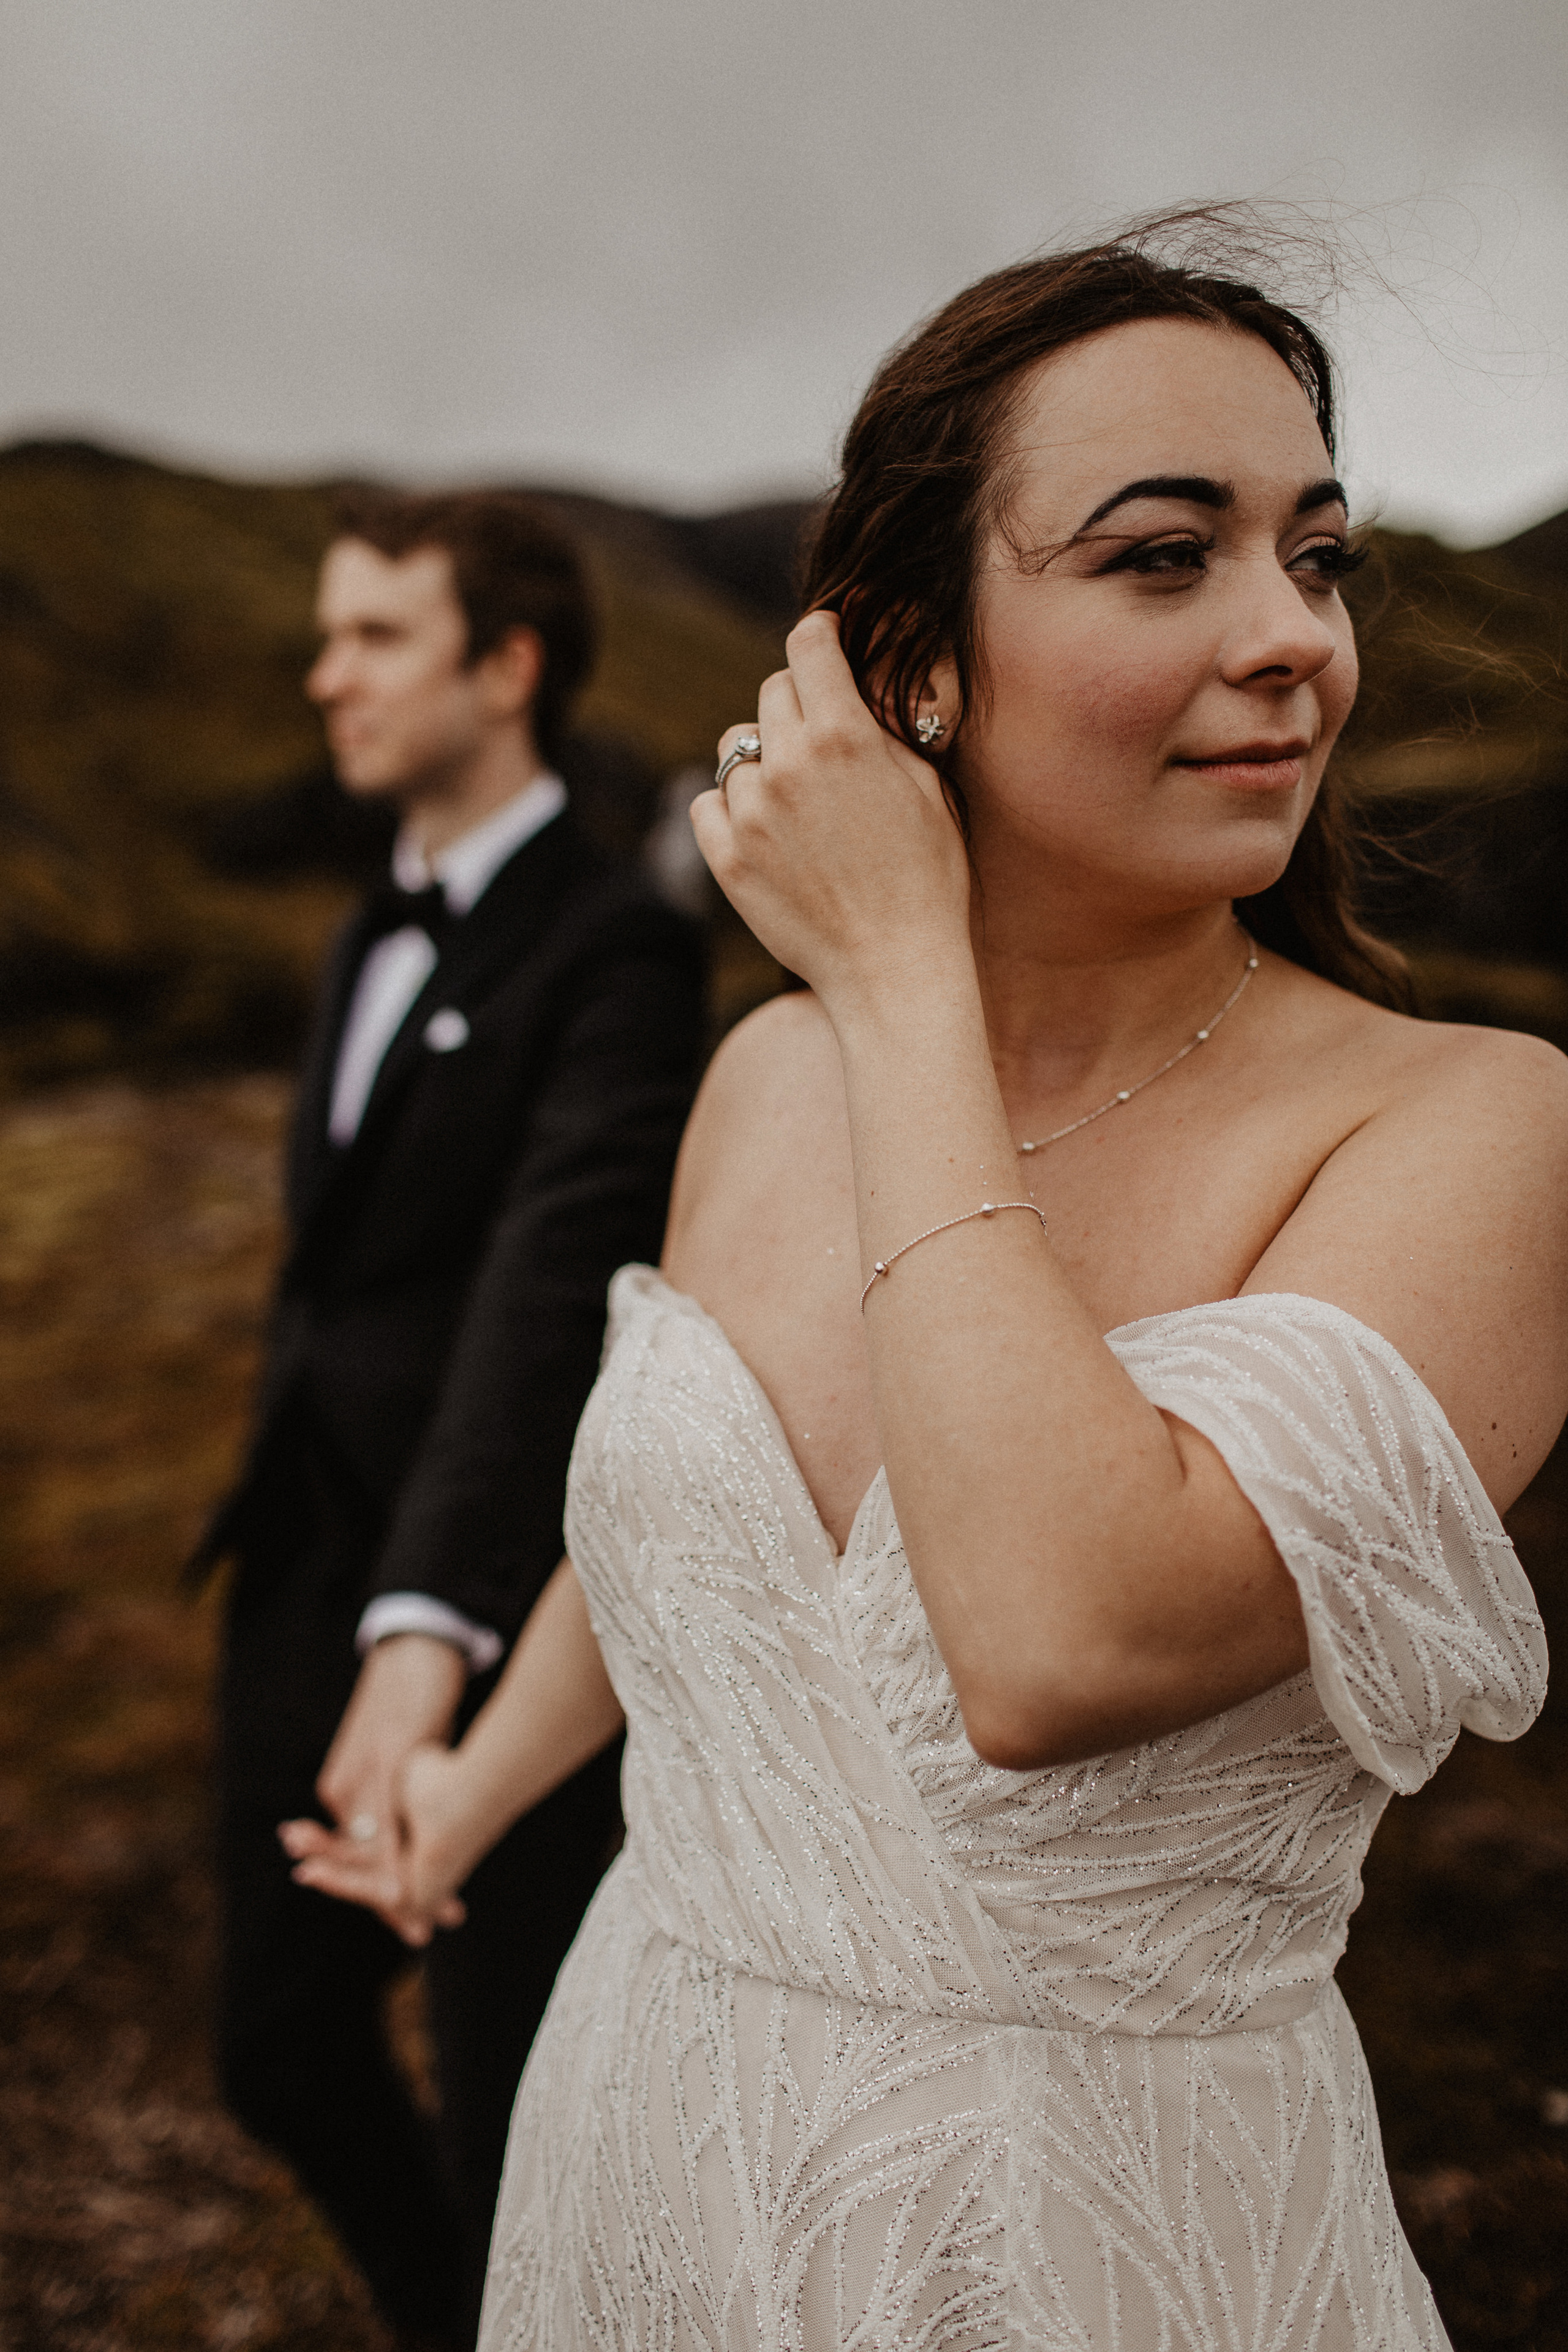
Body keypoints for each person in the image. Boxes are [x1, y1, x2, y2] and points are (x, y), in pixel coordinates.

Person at [288, 230, 1564, 2348]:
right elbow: (689, 1534)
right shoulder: (765, 1075)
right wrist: (469, 1795)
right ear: (916, 664)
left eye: (1317, 558)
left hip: (1098, 2240)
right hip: (647, 2142)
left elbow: (1058, 1644)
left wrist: (895, 984)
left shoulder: (1477, 1131)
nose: (1293, 639)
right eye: (1166, 558)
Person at [200, 487, 704, 2350]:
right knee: (276, 2043)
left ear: (507, 667)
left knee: (521, 2114)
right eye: (327, 635)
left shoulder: (620, 946)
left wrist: (430, 1620)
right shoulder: (362, 933)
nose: (326, 677)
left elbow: (546, 1292)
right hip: (300, 1558)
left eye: (375, 637)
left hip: (508, 1599)